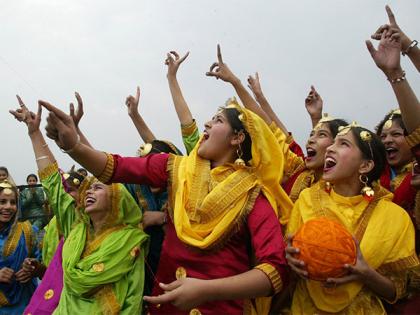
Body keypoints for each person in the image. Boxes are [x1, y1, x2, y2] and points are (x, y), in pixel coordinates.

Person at [39, 63, 292, 313]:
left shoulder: (253, 196)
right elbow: (116, 168)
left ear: (237, 138)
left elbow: (274, 271)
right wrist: (74, 146)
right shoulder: (176, 168)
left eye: (217, 120)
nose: (206, 124)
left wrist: (206, 290)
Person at [10, 95, 149, 314]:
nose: (90, 191)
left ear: (117, 200)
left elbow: (133, 297)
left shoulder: (131, 240)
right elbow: (53, 181)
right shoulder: (75, 225)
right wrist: (34, 132)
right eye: (89, 188)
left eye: (99, 187)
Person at [286, 122, 419, 313]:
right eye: (333, 143)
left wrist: (367, 275)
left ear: (365, 165)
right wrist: (290, 260)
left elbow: (402, 291)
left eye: (343, 144)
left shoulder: (394, 217)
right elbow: (290, 264)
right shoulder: (306, 199)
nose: (330, 148)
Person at [0, 181, 43, 315]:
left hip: (26, 304)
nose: (8, 207)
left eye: (13, 202)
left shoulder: (28, 230)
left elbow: (45, 267)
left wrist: (33, 268)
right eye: (2, 202)